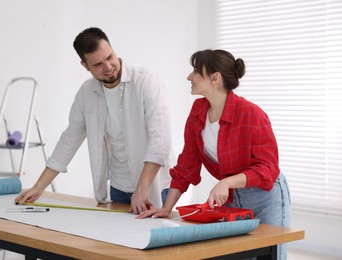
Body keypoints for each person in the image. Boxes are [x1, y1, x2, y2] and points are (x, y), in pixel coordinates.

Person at [137, 49, 291, 260]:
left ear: (215, 78)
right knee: (238, 255)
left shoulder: (251, 114)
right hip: (231, 196)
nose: (189, 77)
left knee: (269, 255)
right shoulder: (198, 111)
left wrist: (226, 182)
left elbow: (268, 169)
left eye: (195, 71)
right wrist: (166, 208)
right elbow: (187, 164)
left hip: (265, 196)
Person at [15, 27, 173, 214]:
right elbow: (69, 141)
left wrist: (142, 188)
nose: (107, 67)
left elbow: (160, 141)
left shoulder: (146, 82)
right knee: (119, 242)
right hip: (119, 187)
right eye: (98, 64)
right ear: (85, 65)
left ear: (113, 49)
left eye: (109, 57)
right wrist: (39, 187)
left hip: (154, 186)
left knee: (152, 240)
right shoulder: (86, 93)